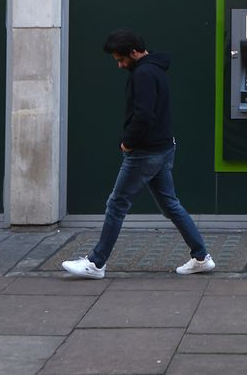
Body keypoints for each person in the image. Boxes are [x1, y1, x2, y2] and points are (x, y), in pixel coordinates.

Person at [63, 29, 215, 279]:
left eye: (121, 60)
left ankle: (95, 263)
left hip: (145, 152)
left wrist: (128, 142)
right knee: (170, 204)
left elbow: (144, 114)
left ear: (134, 52)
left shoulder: (143, 74)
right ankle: (201, 257)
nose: (120, 65)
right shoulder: (156, 69)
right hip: (164, 148)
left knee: (116, 204)